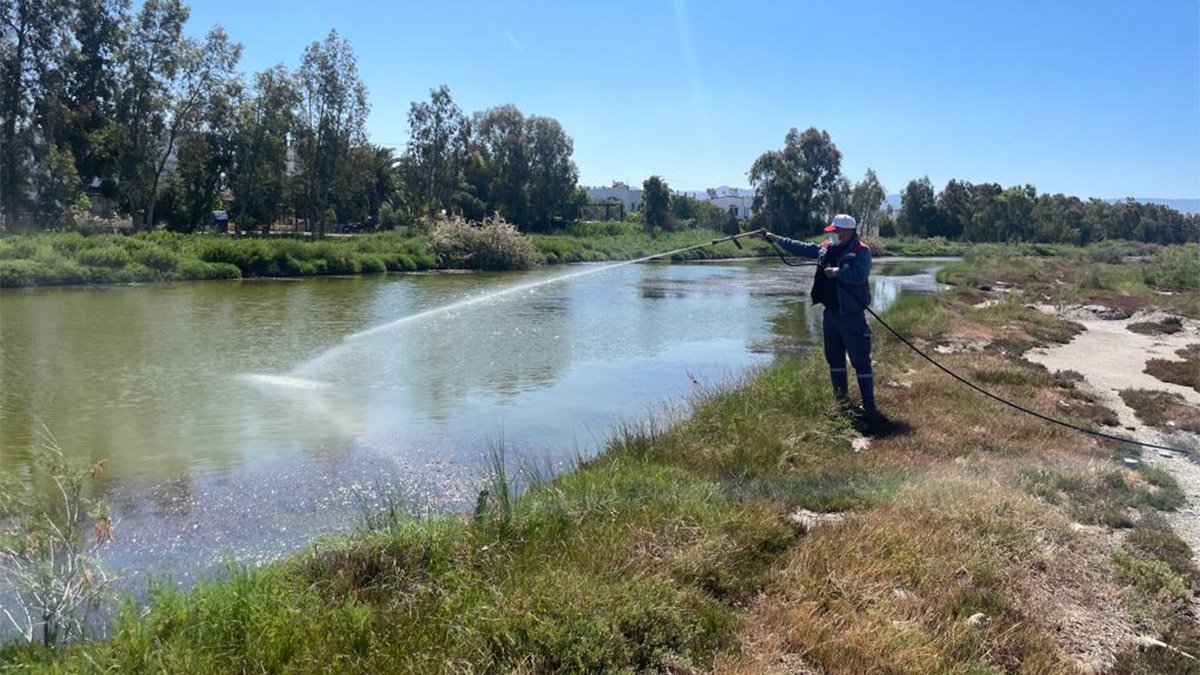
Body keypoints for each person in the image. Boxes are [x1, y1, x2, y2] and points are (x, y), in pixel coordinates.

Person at [761, 214, 881, 420]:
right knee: (833, 358)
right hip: (831, 314)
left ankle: (869, 406)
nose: (831, 234)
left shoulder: (862, 251)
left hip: (851, 315)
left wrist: (837, 272)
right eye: (831, 231)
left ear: (848, 232)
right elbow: (802, 247)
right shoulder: (826, 247)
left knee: (860, 360)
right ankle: (841, 403)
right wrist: (777, 239)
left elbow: (859, 275)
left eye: (836, 231)